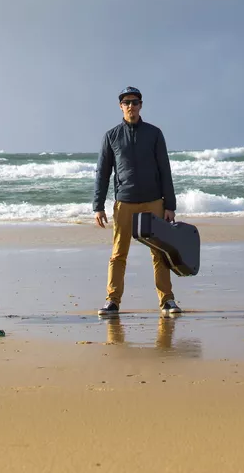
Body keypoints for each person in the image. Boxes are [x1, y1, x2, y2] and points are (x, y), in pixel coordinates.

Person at [93, 86, 181, 317]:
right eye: (126, 102)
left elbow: (165, 170)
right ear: (120, 106)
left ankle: (167, 301)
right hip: (125, 202)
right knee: (118, 254)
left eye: (134, 102)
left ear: (141, 105)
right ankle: (112, 301)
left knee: (159, 253)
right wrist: (98, 206)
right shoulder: (111, 136)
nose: (130, 106)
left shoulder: (154, 133)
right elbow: (102, 173)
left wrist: (169, 205)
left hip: (153, 201)